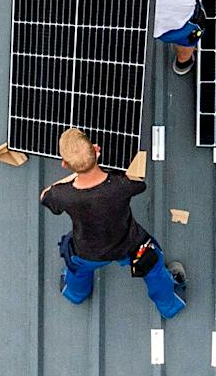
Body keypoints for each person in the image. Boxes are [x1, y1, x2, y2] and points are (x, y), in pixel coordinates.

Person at [40, 127, 186, 317]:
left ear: (64, 164)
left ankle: (75, 294)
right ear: (96, 150)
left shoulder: (63, 195)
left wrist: (77, 172)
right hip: (129, 245)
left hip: (87, 251)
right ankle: (169, 306)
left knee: (77, 268)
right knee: (153, 266)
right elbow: (139, 183)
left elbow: (45, 195)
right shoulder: (121, 185)